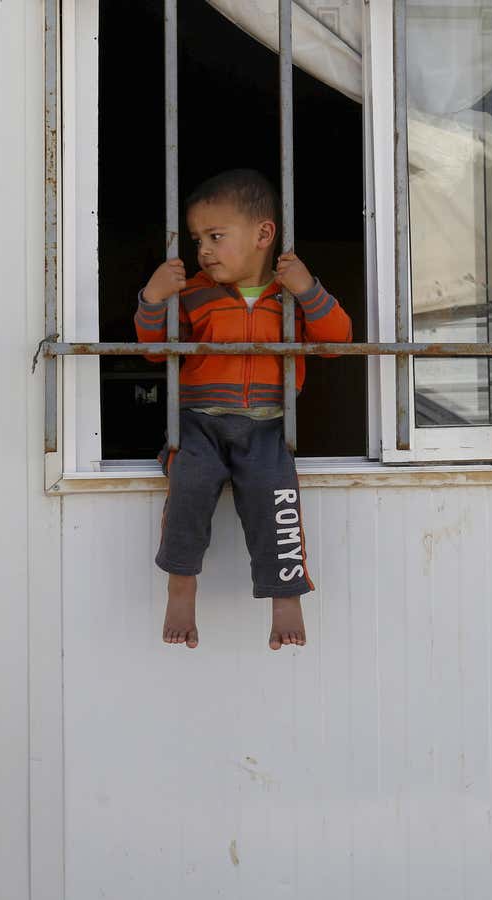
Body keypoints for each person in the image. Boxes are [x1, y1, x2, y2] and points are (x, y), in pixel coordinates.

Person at [135, 169, 353, 650]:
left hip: (269, 427)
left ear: (263, 234)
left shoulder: (289, 295)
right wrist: (153, 297)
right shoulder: (193, 292)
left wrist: (308, 288)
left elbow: (337, 342)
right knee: (188, 489)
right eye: (197, 239)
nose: (204, 251)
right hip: (199, 424)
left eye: (215, 236)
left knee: (278, 502)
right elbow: (154, 350)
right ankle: (181, 584)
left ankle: (285, 598)